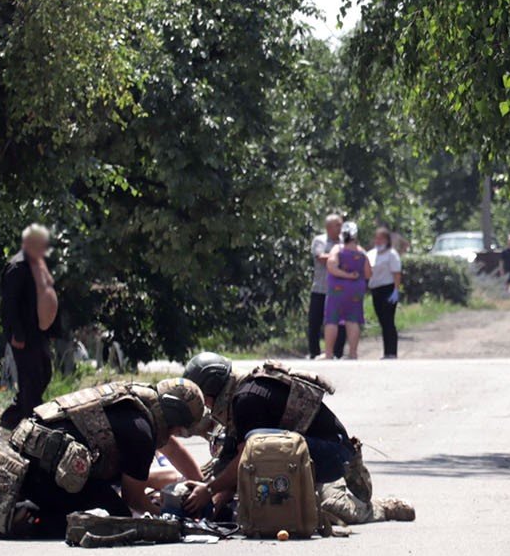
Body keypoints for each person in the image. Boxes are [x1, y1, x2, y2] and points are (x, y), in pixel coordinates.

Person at [172, 352, 413, 525]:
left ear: (214, 391)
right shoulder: (241, 396)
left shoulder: (246, 400)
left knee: (332, 509)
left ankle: (380, 508)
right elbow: (232, 462)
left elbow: (248, 459)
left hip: (331, 454)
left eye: (204, 399)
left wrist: (210, 490)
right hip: (297, 453)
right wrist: (211, 501)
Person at [0, 378, 206, 538]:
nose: (177, 434)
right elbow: (133, 499)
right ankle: (18, 520)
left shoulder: (134, 405)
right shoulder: (141, 433)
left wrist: (203, 486)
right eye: (180, 429)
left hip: (29, 452)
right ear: (172, 419)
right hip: (41, 472)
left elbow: (172, 449)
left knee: (104, 495)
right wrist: (170, 520)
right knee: (116, 518)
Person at [0, 223, 60, 429]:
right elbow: (9, 304)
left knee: (44, 373)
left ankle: (13, 416)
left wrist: (51, 330)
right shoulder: (17, 267)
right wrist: (16, 333)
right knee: (30, 379)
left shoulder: (38, 266)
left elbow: (48, 296)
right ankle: (28, 423)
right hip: (23, 334)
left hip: (38, 332)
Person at [324, 222, 371, 360]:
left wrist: (346, 275)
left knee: (332, 319)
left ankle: (328, 353)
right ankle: (353, 353)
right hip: (356, 290)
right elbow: (368, 273)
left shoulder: (337, 249)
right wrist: (354, 276)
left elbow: (331, 266)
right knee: (353, 319)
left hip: (337, 290)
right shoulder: (362, 252)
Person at [308, 214, 347, 359]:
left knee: (340, 322)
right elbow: (320, 257)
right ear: (328, 227)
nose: (340, 228)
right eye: (337, 225)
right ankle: (314, 352)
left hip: (339, 290)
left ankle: (337, 353)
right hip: (321, 288)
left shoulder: (344, 242)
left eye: (341, 225)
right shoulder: (320, 240)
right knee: (315, 322)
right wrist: (339, 257)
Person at [368, 225, 403, 359]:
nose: (378, 241)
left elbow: (396, 273)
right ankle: (385, 351)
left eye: (381, 239)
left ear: (387, 240)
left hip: (388, 289)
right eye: (376, 238)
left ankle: (392, 351)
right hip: (375, 289)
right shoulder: (371, 254)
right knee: (382, 321)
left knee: (389, 321)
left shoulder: (391, 254)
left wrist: (396, 290)